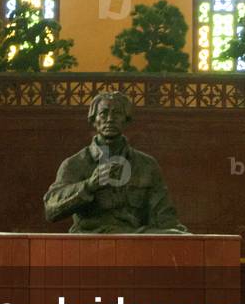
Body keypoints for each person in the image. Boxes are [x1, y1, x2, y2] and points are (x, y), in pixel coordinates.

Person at [43, 90, 187, 233]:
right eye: (103, 114)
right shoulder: (75, 163)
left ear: (126, 119)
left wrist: (181, 235)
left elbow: (165, 216)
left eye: (117, 113)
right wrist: (89, 185)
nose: (110, 119)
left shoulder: (146, 165)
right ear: (94, 120)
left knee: (176, 235)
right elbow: (51, 210)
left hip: (134, 239)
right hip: (90, 240)